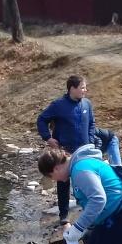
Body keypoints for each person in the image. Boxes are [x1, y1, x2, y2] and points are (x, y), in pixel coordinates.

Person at [37, 75, 95, 224]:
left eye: (85, 87)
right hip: (64, 151)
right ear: (72, 89)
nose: (85, 90)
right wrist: (48, 138)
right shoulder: (58, 105)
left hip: (84, 151)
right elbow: (41, 119)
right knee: (63, 182)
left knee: (85, 180)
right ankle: (64, 215)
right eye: (82, 87)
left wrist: (91, 141)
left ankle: (88, 210)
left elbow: (92, 124)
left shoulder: (87, 104)